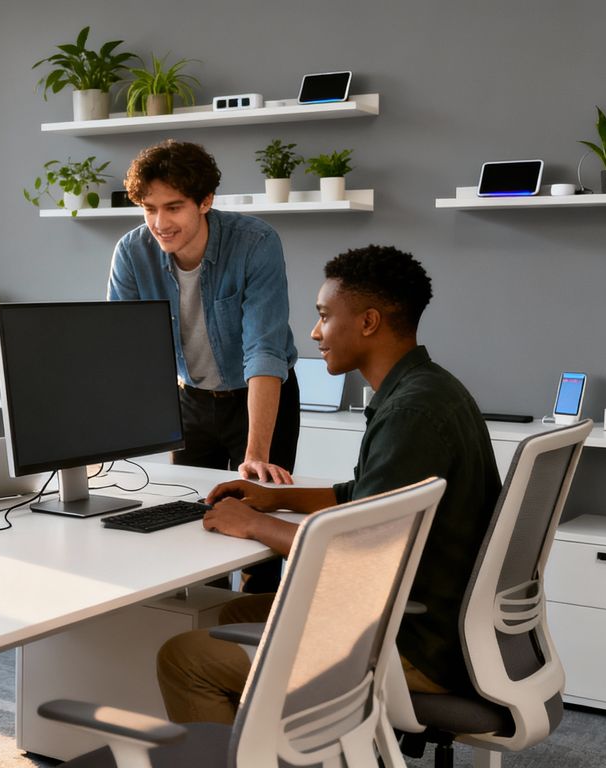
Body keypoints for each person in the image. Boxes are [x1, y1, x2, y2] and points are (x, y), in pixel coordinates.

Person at [155, 245, 502, 725]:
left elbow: (357, 553)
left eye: (323, 317)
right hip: (426, 620)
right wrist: (275, 498)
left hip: (410, 644)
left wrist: (254, 524)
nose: (315, 334)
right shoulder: (428, 388)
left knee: (185, 659)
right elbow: (366, 499)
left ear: (368, 322)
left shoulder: (410, 415)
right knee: (228, 615)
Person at [108, 139, 300, 486]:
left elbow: (264, 350)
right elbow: (125, 347)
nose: (160, 222)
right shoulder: (131, 253)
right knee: (186, 505)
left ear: (205, 201)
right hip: (191, 399)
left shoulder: (256, 243)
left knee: (257, 503)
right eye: (149, 208)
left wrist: (255, 454)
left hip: (258, 395)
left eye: (174, 207)